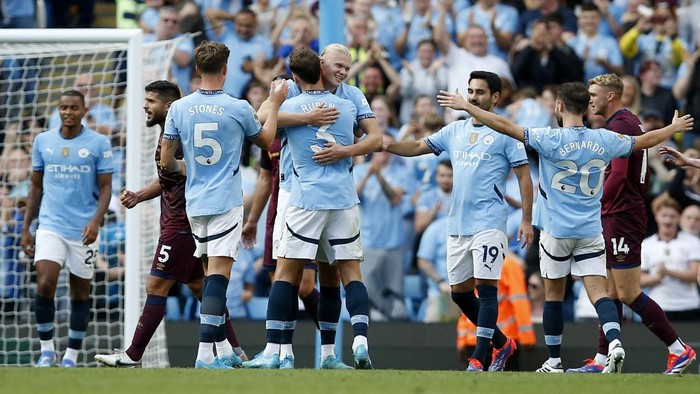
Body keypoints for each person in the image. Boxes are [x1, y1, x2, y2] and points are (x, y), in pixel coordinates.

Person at [437, 80, 694, 373]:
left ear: (559, 106)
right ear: (587, 108)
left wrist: (467, 107)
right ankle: (614, 343)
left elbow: (503, 125)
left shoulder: (549, 138)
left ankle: (555, 361)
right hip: (591, 229)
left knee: (554, 294)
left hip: (556, 230)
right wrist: (672, 129)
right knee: (600, 292)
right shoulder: (603, 138)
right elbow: (642, 141)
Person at [385, 71, 534, 372]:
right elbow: (415, 147)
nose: (473, 96)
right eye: (470, 91)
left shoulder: (506, 132)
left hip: (490, 222)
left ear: (495, 97)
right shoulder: (455, 130)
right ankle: (503, 343)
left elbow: (523, 177)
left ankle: (479, 357)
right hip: (458, 223)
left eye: (480, 91)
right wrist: (384, 145)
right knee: (460, 294)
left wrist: (527, 220)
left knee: (486, 289)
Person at [94, 80, 246, 368]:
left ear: (168, 105)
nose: (144, 106)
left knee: (156, 285)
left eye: (150, 101)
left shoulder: (181, 134)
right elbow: (168, 179)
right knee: (202, 287)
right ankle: (237, 353)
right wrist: (140, 195)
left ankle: (132, 355)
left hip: (182, 223)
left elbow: (199, 170)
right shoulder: (169, 132)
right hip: (181, 220)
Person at [244, 48, 380, 370]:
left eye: (348, 66)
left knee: (292, 275)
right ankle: (352, 341)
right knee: (345, 274)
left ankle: (306, 354)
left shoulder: (299, 96)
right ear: (320, 64)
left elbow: (260, 126)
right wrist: (310, 119)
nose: (344, 72)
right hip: (338, 198)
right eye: (339, 65)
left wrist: (343, 147)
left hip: (304, 197)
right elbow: (373, 136)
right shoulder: (345, 107)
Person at [159, 41, 286, 369]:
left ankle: (223, 351)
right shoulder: (238, 107)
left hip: (195, 201)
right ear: (226, 70)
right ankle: (204, 356)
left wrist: (189, 168)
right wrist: (272, 103)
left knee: (206, 272)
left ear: (197, 70)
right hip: (225, 201)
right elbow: (266, 137)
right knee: (218, 275)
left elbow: (165, 161)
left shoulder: (179, 108)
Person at [562, 74, 696, 374]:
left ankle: (679, 349)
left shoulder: (621, 125)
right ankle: (601, 359)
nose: (589, 99)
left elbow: (620, 175)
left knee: (628, 291)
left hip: (622, 214)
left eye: (594, 94)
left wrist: (593, 204)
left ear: (611, 96)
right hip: (617, 213)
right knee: (608, 291)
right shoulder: (624, 123)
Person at [21, 90, 113, 367]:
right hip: (50, 224)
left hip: (84, 229)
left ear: (84, 110)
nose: (68, 112)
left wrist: (96, 220)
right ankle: (47, 350)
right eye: (63, 107)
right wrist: (27, 227)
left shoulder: (98, 143)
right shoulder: (43, 141)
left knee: (80, 293)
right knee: (46, 282)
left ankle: (71, 355)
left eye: (74, 107)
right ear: (58, 110)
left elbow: (106, 187)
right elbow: (35, 187)